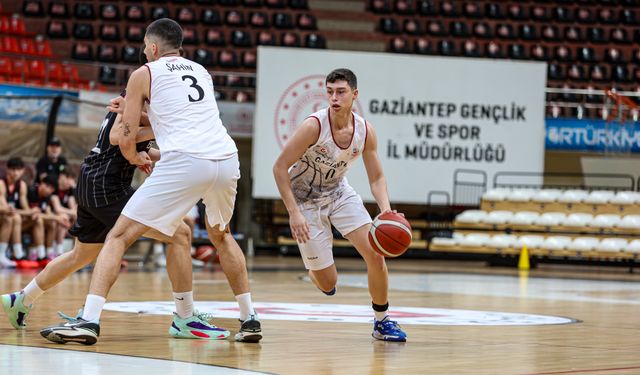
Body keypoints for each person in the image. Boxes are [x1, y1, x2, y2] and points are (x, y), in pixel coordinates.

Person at [40, 18, 261, 345]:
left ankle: (88, 320)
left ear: (153, 48)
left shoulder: (144, 72)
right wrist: (141, 118)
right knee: (220, 234)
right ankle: (249, 319)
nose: (144, 51)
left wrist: (135, 155)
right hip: (226, 158)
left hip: (186, 160)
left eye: (145, 46)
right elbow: (180, 118)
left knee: (118, 236)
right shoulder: (201, 71)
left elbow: (124, 137)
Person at [2, 93, 228, 344]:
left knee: (82, 255)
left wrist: (164, 153)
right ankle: (185, 317)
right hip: (107, 186)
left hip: (94, 180)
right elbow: (119, 137)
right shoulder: (136, 99)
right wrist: (164, 127)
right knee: (181, 234)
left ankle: (21, 299)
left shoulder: (136, 101)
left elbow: (137, 143)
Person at [272, 68, 407, 342]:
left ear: (354, 95)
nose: (334, 97)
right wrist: (294, 213)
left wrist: (385, 210)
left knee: (376, 254)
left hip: (338, 193)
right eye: (330, 91)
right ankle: (315, 268)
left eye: (341, 92)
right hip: (305, 202)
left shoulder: (365, 131)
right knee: (328, 283)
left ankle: (382, 321)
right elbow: (279, 168)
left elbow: (377, 176)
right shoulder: (314, 126)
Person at [3, 157, 44, 268]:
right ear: (7, 169)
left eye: (18, 169)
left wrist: (32, 213)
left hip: (13, 221)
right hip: (3, 220)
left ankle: (42, 256)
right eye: (13, 169)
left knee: (37, 219)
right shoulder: (2, 183)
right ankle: (17, 256)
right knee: (14, 217)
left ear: (22, 171)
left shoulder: (22, 185)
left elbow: (26, 209)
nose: (15, 172)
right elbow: (4, 209)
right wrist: (26, 212)